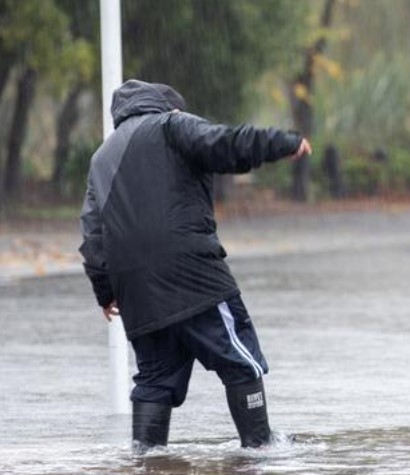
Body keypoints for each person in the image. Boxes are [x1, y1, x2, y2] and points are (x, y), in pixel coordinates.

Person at [79, 79, 312, 453]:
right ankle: (261, 446)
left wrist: (105, 290)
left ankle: (147, 461)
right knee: (241, 360)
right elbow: (225, 143)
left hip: (136, 293)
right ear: (170, 108)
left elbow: (92, 232)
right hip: (193, 276)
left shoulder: (101, 158)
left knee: (155, 378)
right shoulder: (173, 126)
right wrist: (280, 143)